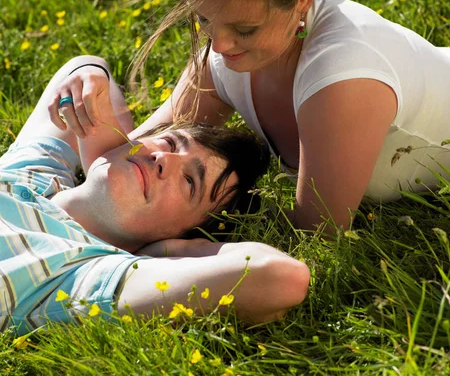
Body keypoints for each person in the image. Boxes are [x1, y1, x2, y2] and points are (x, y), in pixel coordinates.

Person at [49, 0, 450, 234]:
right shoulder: (226, 59)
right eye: (205, 19)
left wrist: (160, 247)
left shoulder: (342, 78)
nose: (219, 46)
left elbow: (318, 232)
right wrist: (87, 81)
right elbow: (135, 154)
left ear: (302, 0)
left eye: (244, 29)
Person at [0, 56, 310, 336]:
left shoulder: (81, 275)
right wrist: (91, 81)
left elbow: (280, 277)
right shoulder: (34, 172)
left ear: (181, 235)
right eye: (171, 143)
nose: (164, 159)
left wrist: (166, 252)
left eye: (190, 182)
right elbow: (84, 65)